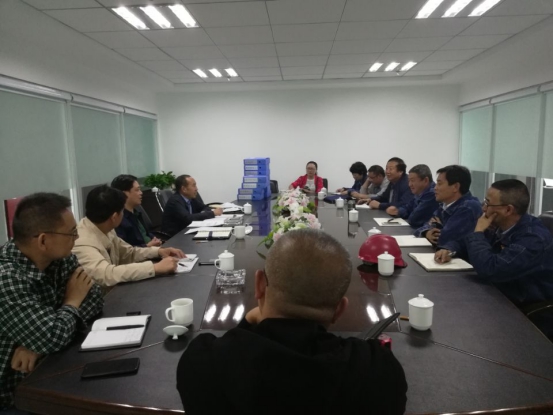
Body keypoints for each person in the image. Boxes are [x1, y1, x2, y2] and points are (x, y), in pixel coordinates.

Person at [176, 229, 407, 415]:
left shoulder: (202, 363)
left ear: (259, 285)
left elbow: (232, 349)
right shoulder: (377, 371)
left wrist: (246, 322)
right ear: (340, 310)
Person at [0, 193, 103, 411]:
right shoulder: (6, 278)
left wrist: (37, 347)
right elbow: (51, 336)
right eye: (71, 233)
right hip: (14, 396)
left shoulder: (61, 259)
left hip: (51, 371)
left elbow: (94, 298)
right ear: (43, 240)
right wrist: (72, 301)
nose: (76, 238)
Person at [435, 180, 553, 338]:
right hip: (495, 293)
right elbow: (466, 241)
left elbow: (491, 269)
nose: (483, 208)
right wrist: (450, 248)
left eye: (488, 203)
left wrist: (478, 233)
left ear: (508, 209)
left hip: (525, 308)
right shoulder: (499, 225)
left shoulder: (533, 238)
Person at [72, 185, 185, 287]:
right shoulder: (82, 241)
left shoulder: (105, 227)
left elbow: (129, 253)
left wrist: (158, 251)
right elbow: (106, 274)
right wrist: (155, 268)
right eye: (122, 211)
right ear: (114, 217)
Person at [415, 165, 481, 246]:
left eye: (439, 184)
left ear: (455, 187)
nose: (435, 188)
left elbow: (444, 240)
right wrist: (427, 232)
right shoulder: (444, 205)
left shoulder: (468, 207)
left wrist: (438, 226)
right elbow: (422, 227)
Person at [110, 174, 162, 247]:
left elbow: (145, 233)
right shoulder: (118, 219)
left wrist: (154, 239)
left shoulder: (136, 211)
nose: (141, 193)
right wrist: (147, 246)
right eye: (137, 190)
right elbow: (124, 250)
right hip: (143, 253)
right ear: (124, 194)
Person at [387, 164, 438, 229]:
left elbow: (414, 219)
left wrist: (405, 213)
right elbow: (407, 207)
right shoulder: (419, 191)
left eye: (412, 180)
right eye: (409, 181)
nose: (410, 184)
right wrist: (397, 211)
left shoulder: (432, 194)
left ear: (425, 180)